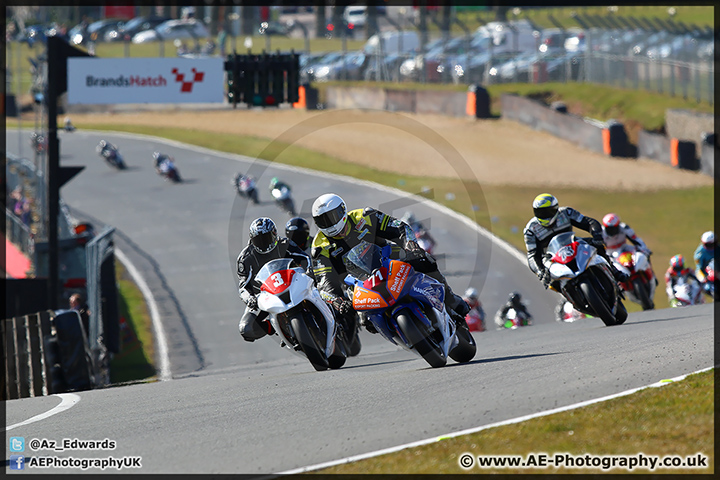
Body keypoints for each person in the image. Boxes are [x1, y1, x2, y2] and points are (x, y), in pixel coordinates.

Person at [310, 193, 470, 334]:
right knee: (366, 322)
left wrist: (411, 246)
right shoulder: (319, 246)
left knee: (423, 259)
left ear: (342, 210)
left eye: (332, 216)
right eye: (323, 220)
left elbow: (400, 228)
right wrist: (337, 301)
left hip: (388, 257)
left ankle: (449, 297)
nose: (329, 223)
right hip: (357, 282)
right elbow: (324, 283)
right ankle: (396, 329)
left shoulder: (364, 216)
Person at [523, 193, 628, 290]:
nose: (544, 215)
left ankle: (614, 271)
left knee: (597, 245)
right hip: (550, 257)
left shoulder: (566, 213)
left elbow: (589, 222)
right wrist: (540, 271)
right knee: (551, 283)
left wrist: (597, 236)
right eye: (540, 212)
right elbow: (532, 255)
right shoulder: (530, 230)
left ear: (555, 209)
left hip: (572, 244)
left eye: (547, 212)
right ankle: (567, 299)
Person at [236, 217, 311, 342]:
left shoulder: (285, 243)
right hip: (263, 296)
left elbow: (305, 258)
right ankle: (275, 327)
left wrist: (309, 271)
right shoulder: (245, 258)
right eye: (258, 240)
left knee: (318, 288)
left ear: (274, 234)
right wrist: (250, 299)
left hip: (291, 284)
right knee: (246, 329)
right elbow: (243, 286)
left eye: (266, 238)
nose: (263, 243)